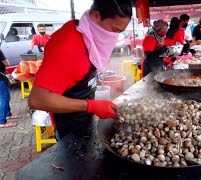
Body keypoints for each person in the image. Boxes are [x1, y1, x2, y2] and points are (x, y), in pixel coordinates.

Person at [28, 0, 132, 139]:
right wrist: (91, 106)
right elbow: (37, 100)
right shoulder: (67, 45)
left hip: (86, 121)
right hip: (69, 130)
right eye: (115, 30)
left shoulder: (89, 36)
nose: (115, 37)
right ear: (96, 16)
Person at [0, 49, 18, 128]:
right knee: (5, 98)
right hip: (0, 78)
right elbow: (7, 63)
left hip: (1, 76)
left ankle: (8, 114)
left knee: (5, 97)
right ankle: (2, 121)